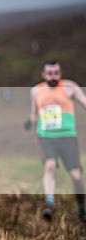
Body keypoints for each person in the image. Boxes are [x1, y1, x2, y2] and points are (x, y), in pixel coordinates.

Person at [26, 60, 86, 222]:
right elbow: (34, 113)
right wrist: (30, 121)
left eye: (56, 73)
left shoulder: (70, 87)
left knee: (76, 176)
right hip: (47, 137)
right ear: (44, 74)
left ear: (60, 73)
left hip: (68, 137)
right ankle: (49, 204)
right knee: (50, 166)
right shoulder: (36, 91)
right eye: (50, 73)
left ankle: (81, 206)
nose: (53, 76)